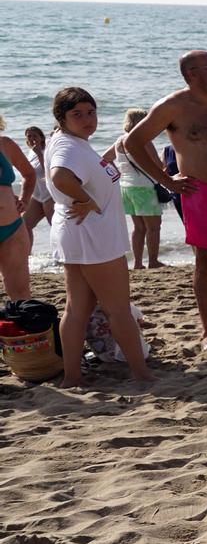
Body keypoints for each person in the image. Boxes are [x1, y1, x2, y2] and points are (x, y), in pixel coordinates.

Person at [121, 50, 207, 348]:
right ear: (192, 74)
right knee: (206, 263)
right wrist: (166, 180)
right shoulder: (173, 106)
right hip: (202, 195)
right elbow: (133, 140)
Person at [44, 88, 154, 386]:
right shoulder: (69, 146)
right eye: (77, 115)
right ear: (61, 118)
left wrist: (83, 199)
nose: (87, 119)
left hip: (77, 236)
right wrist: (85, 200)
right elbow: (59, 177)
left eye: (90, 112)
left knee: (76, 309)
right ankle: (142, 374)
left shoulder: (69, 141)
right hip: (95, 240)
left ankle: (73, 377)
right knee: (118, 309)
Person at [114, 110, 164, 269]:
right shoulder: (143, 142)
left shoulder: (119, 141)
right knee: (154, 227)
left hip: (126, 187)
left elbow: (104, 160)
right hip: (144, 188)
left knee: (139, 227)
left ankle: (137, 262)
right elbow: (158, 165)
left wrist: (118, 174)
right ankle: (153, 261)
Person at [0, 112, 38, 301]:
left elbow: (30, 175)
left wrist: (24, 199)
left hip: (12, 228)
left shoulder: (5, 144)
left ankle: (24, 329)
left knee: (21, 292)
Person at [22, 126, 54, 241]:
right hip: (36, 197)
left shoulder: (46, 151)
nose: (31, 139)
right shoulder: (30, 153)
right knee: (24, 225)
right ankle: (26, 257)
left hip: (49, 196)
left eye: (34, 136)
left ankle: (64, 257)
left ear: (41, 138)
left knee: (56, 228)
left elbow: (49, 172)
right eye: (29, 136)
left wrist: (39, 153)